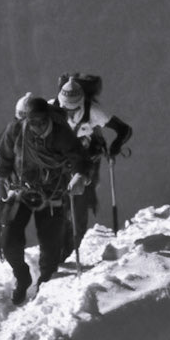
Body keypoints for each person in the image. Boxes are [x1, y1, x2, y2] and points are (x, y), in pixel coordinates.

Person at [0, 93, 94, 305]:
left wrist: (79, 176)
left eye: (41, 122)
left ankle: (44, 287)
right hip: (21, 191)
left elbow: (79, 158)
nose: (38, 126)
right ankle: (22, 278)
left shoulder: (61, 134)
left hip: (53, 195)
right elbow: (4, 156)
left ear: (49, 117)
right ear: (26, 121)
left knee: (50, 251)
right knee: (9, 242)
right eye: (33, 122)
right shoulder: (16, 130)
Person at [55, 72, 132, 250]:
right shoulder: (54, 107)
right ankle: (62, 248)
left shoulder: (94, 111)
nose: (70, 111)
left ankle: (68, 248)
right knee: (66, 202)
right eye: (66, 108)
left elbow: (124, 130)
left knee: (78, 202)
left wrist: (114, 147)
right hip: (64, 158)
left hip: (86, 158)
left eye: (73, 108)